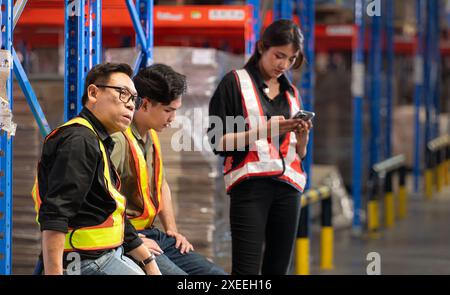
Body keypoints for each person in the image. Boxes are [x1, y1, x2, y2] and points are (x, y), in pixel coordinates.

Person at [31, 63, 161, 275]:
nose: (130, 105)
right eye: (123, 94)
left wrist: (148, 261)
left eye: (134, 99)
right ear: (93, 93)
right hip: (84, 263)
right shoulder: (79, 140)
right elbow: (55, 214)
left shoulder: (97, 140)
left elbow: (111, 211)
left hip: (104, 256)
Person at [207, 19, 313, 275]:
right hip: (250, 188)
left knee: (278, 269)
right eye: (279, 56)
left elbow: (298, 153)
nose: (284, 65)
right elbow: (217, 141)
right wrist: (264, 131)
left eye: (291, 59)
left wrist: (303, 140)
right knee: (246, 272)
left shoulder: (292, 94)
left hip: (289, 189)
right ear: (262, 47)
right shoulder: (233, 83)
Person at [110, 63, 227, 275]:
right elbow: (101, 199)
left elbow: (160, 185)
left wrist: (172, 230)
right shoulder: (118, 141)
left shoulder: (151, 136)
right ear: (144, 105)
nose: (173, 119)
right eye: (168, 110)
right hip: (126, 238)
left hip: (152, 234)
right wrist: (132, 240)